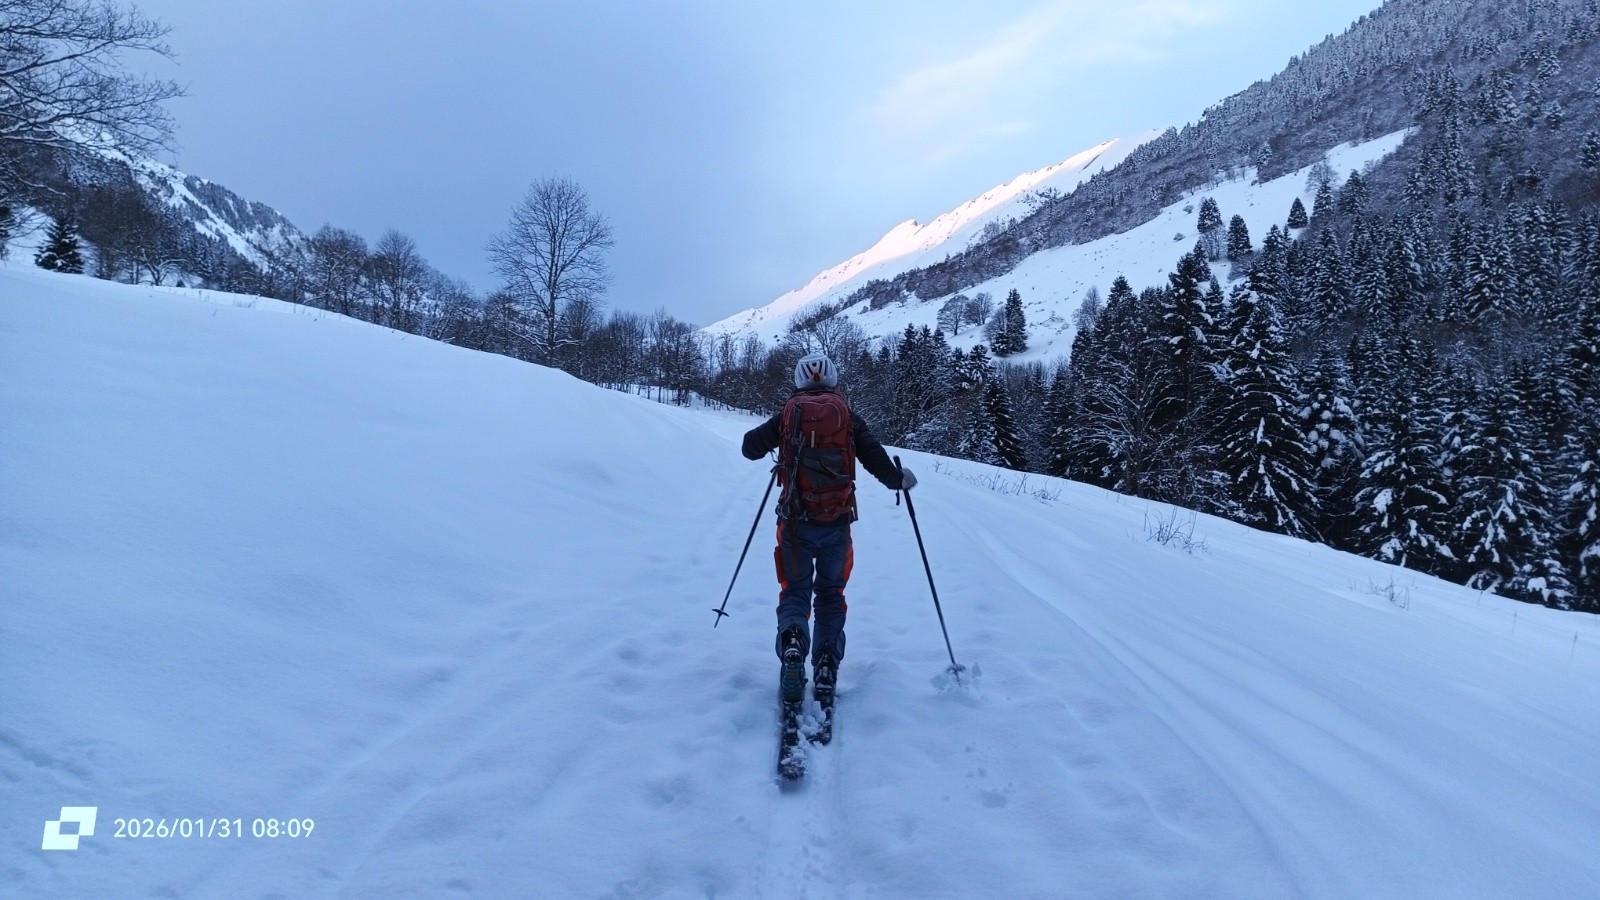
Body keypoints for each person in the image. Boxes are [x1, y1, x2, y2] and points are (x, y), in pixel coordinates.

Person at [741, 351, 916, 704]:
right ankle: (825, 661)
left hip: (792, 524)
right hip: (837, 525)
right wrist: (900, 480)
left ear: (798, 379)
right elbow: (877, 462)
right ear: (834, 379)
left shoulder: (789, 415)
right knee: (831, 595)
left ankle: (792, 645)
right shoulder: (848, 417)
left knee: (794, 592)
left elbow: (749, 447)